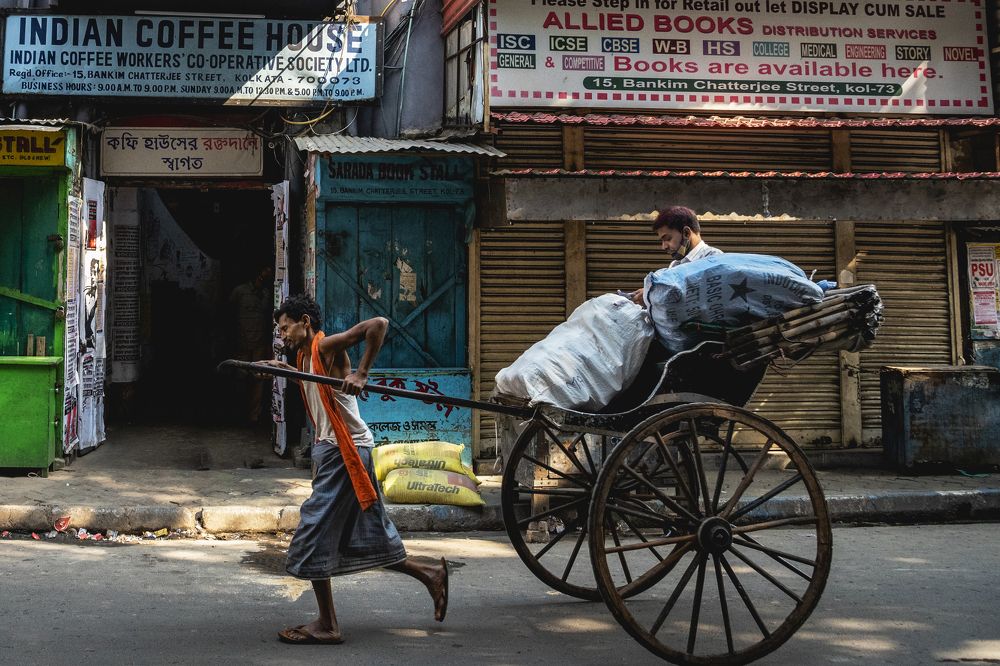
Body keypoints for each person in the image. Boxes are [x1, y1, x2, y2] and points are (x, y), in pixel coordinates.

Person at [258, 294, 448, 646]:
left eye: (285, 328)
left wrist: (361, 373)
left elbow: (378, 325)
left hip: (345, 453)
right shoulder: (305, 356)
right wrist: (282, 370)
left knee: (313, 532)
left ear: (304, 322)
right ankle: (430, 573)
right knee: (364, 539)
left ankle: (328, 624)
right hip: (336, 453)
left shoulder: (325, 345)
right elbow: (313, 382)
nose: (282, 335)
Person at [629, 206, 723, 305]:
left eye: (668, 239)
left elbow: (710, 300)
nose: (664, 247)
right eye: (662, 241)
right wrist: (651, 294)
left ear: (686, 233)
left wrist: (654, 296)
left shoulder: (715, 259)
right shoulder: (675, 265)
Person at [229, 265, 274, 424]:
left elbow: (269, 319)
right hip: (241, 342)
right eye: (262, 273)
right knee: (240, 378)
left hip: (259, 342)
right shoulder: (240, 292)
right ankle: (238, 412)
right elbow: (229, 315)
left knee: (258, 379)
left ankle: (253, 415)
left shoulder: (267, 294)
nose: (263, 277)